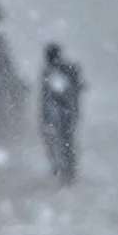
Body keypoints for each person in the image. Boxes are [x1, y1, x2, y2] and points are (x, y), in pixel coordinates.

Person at [40, 42, 86, 184]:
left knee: (60, 141)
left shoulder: (53, 72)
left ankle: (63, 169)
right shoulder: (64, 70)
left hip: (59, 114)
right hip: (66, 114)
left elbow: (47, 97)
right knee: (65, 142)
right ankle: (66, 170)